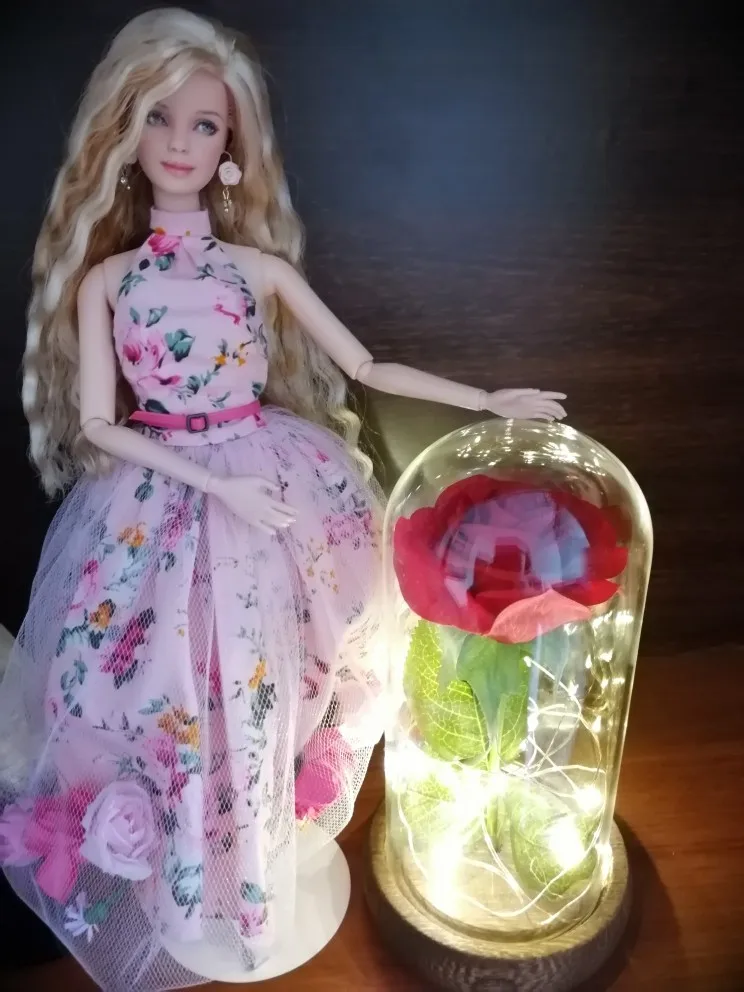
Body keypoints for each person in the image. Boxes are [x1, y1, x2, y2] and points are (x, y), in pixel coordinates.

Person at [0, 7, 567, 989]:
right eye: (159, 118)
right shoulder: (107, 283)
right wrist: (210, 477)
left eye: (204, 124)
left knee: (276, 683)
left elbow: (366, 364)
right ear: (127, 133)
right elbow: (100, 423)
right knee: (174, 691)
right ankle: (195, 882)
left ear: (232, 146)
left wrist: (486, 399)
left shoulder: (256, 270)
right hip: (162, 499)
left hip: (274, 485)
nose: (180, 142)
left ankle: (255, 874)